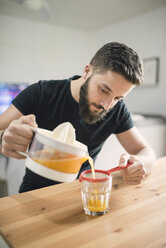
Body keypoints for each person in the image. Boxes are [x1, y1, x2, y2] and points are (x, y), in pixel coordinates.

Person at [0, 42, 156, 192]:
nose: (107, 106)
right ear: (87, 71)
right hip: (33, 193)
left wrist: (140, 163)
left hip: (82, 193)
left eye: (118, 98)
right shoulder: (41, 93)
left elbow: (145, 151)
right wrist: (3, 137)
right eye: (103, 90)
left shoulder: (117, 111)